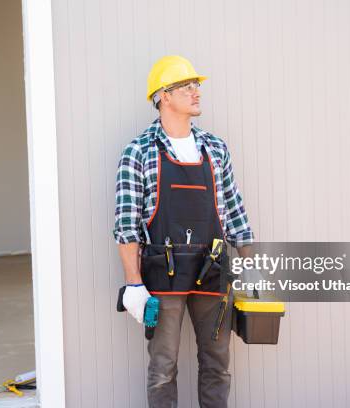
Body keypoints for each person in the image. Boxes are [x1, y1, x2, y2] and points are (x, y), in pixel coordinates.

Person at [113, 55, 253, 408]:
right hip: (163, 275)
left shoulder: (216, 149)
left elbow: (235, 214)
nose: (196, 92)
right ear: (163, 96)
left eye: (197, 85)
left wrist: (254, 269)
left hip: (213, 270)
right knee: (163, 367)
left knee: (217, 365)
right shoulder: (138, 152)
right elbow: (126, 224)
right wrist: (133, 283)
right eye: (186, 86)